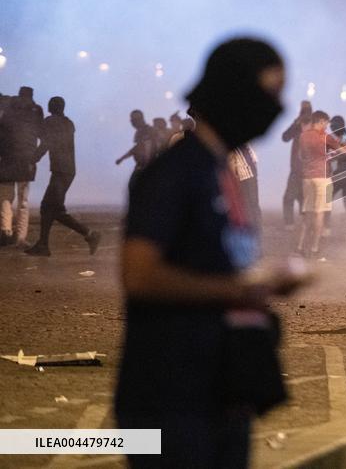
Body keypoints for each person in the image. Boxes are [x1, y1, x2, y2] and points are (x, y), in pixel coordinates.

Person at [115, 37, 310, 468]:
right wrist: (241, 288)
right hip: (171, 397)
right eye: (268, 94)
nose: (274, 108)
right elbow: (140, 275)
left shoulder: (223, 170)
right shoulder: (174, 173)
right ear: (232, 92)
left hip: (222, 387)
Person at [25, 97, 101, 256]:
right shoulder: (69, 123)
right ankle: (45, 244)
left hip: (60, 170)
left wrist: (33, 159)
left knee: (48, 207)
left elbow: (46, 142)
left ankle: (87, 235)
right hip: (68, 170)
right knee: (54, 208)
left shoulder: (51, 121)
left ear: (51, 107)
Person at [0, 86, 42, 248]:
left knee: (5, 197)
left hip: (7, 158)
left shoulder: (8, 109)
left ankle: (6, 231)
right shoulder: (35, 110)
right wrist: (35, 156)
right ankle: (21, 236)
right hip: (27, 160)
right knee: (23, 200)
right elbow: (41, 133)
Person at [296, 111, 340, 257]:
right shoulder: (325, 136)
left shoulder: (303, 136)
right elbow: (342, 150)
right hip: (324, 178)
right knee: (320, 213)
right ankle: (315, 247)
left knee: (307, 212)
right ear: (321, 121)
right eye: (326, 122)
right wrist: (331, 155)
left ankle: (301, 245)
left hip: (307, 177)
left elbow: (302, 155)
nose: (327, 125)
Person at [280, 101, 312, 230]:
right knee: (289, 197)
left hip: (310, 170)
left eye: (306, 110)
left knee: (306, 199)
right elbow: (285, 137)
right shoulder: (297, 126)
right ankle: (289, 224)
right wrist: (296, 124)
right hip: (296, 169)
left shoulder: (315, 125)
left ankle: (308, 224)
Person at [115, 110, 157, 190]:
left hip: (148, 167)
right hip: (142, 166)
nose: (132, 122)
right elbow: (135, 149)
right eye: (132, 120)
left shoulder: (148, 130)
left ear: (141, 119)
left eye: (134, 120)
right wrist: (122, 158)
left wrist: (147, 166)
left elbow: (149, 146)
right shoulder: (139, 132)